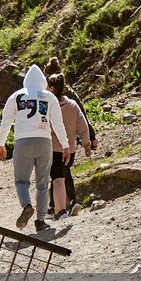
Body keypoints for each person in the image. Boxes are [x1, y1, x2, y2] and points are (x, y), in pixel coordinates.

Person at [0, 64, 70, 233]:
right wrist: (65, 146)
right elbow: (58, 124)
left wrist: (1, 144)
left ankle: (27, 205)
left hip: (22, 142)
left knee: (21, 181)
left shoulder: (16, 96)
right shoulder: (49, 97)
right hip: (44, 142)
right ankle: (41, 221)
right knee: (42, 184)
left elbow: (6, 120)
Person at [48, 72, 93, 220]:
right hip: (71, 151)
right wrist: (86, 143)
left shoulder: (48, 106)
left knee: (57, 178)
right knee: (63, 175)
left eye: (48, 86)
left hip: (54, 150)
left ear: (53, 88)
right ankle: (67, 203)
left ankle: (57, 209)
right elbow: (83, 125)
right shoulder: (73, 105)